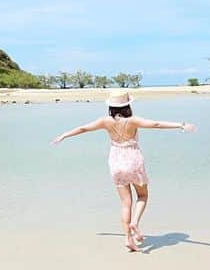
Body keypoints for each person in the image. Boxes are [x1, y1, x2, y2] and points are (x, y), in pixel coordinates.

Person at [50, 92, 196, 252]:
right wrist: (181, 124)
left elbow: (83, 128)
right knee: (143, 196)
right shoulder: (132, 120)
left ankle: (128, 238)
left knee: (126, 203)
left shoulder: (105, 121)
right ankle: (135, 222)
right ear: (127, 105)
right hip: (133, 160)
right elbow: (155, 124)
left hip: (116, 162)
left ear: (111, 107)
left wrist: (64, 135)